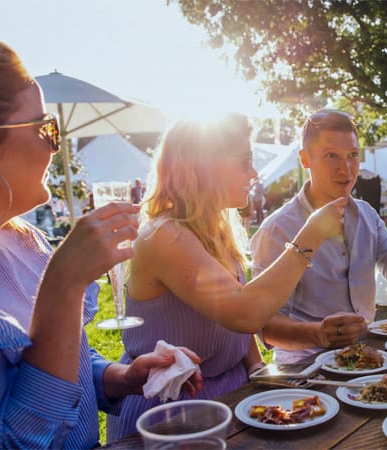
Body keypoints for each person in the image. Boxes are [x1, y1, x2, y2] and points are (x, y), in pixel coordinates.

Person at [0, 26, 202, 449]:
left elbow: (55, 359)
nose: (56, 147)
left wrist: (119, 377)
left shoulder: (24, 241)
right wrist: (64, 285)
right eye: (44, 128)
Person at [107, 115, 346, 439]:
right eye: (244, 163)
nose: (254, 174)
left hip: (234, 396)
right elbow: (243, 312)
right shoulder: (162, 235)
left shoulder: (217, 227)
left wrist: (257, 367)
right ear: (204, 168)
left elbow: (232, 307)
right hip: (175, 414)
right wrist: (310, 237)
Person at [251, 109, 387, 364]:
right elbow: (267, 326)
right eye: (331, 156)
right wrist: (320, 334)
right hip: (305, 369)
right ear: (305, 159)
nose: (346, 169)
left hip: (366, 356)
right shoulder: (278, 229)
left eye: (352, 155)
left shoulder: (366, 214)